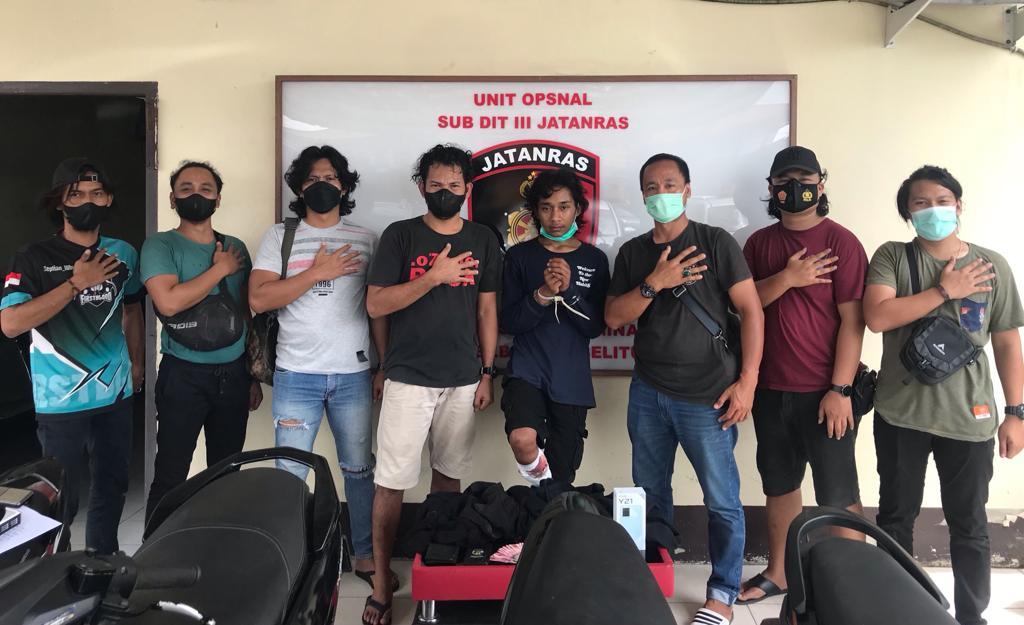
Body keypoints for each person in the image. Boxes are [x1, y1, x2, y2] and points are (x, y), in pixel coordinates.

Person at [604, 153, 764, 625]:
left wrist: (748, 381)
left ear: (688, 190)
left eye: (670, 185)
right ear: (643, 196)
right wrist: (654, 282)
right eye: (651, 188)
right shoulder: (632, 253)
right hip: (648, 392)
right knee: (649, 493)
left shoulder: (715, 242)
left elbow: (752, 311)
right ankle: (651, 583)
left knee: (721, 500)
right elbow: (613, 317)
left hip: (709, 397)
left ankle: (722, 594)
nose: (661, 195)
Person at [864, 165, 1024, 625]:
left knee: (969, 525)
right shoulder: (893, 257)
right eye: (921, 203)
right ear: (908, 214)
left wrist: (1016, 412)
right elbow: (877, 316)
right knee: (895, 519)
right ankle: (898, 613)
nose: (933, 210)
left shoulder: (991, 265)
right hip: (901, 413)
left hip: (969, 418)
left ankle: (972, 617)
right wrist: (943, 290)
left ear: (959, 205)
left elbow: (1007, 341)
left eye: (942, 200)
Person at [363, 144, 501, 625]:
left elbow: (487, 309)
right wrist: (434, 276)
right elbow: (376, 305)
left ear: (468, 188)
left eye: (454, 185)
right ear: (422, 186)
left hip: (463, 379)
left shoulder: (482, 239)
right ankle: (382, 583)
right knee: (390, 484)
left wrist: (487, 373)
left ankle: (440, 574)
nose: (445, 192)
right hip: (408, 378)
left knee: (448, 478)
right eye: (436, 185)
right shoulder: (400, 236)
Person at [248, 146, 386, 590]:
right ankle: (290, 557)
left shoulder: (367, 239)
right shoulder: (280, 237)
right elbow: (259, 298)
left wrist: (383, 365)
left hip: (353, 374)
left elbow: (379, 308)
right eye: (311, 179)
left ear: (344, 187)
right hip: (296, 374)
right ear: (298, 188)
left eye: (330, 178)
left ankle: (364, 554)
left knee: (359, 469)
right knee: (290, 472)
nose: (321, 185)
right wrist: (317, 271)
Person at [737, 146, 868, 603]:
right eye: (784, 181)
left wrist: (840, 389)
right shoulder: (758, 244)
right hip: (770, 389)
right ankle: (780, 573)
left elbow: (854, 322)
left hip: (825, 393)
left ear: (820, 184)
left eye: (804, 180)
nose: (795, 189)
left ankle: (853, 585)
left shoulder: (842, 242)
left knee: (838, 491)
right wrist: (787, 279)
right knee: (779, 484)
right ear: (772, 189)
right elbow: (743, 306)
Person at [0, 157, 144, 553]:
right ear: (60, 202)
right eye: (76, 195)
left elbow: (132, 309)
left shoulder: (123, 253)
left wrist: (137, 363)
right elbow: (11, 323)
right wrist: (76, 284)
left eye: (96, 194)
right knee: (59, 498)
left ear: (108, 199)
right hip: (60, 401)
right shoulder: (32, 257)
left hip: (115, 395)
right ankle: (53, 571)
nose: (87, 202)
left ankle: (103, 563)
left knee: (112, 487)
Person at [141, 161, 262, 521]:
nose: (196, 195)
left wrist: (252, 373)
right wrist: (220, 269)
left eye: (206, 189)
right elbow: (168, 302)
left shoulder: (235, 246)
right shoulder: (160, 245)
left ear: (218, 199)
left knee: (227, 474)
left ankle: (217, 544)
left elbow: (245, 313)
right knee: (171, 474)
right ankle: (155, 547)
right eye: (186, 188)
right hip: (183, 376)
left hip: (234, 374)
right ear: (172, 199)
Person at [500, 166, 609, 484]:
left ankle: (545, 504)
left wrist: (570, 292)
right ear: (535, 211)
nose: (555, 217)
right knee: (522, 439)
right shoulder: (519, 256)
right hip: (527, 370)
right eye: (546, 208)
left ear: (578, 208)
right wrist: (543, 294)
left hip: (571, 377)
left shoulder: (594, 259)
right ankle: (541, 491)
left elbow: (595, 327)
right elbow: (509, 322)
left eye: (563, 207)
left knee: (562, 476)